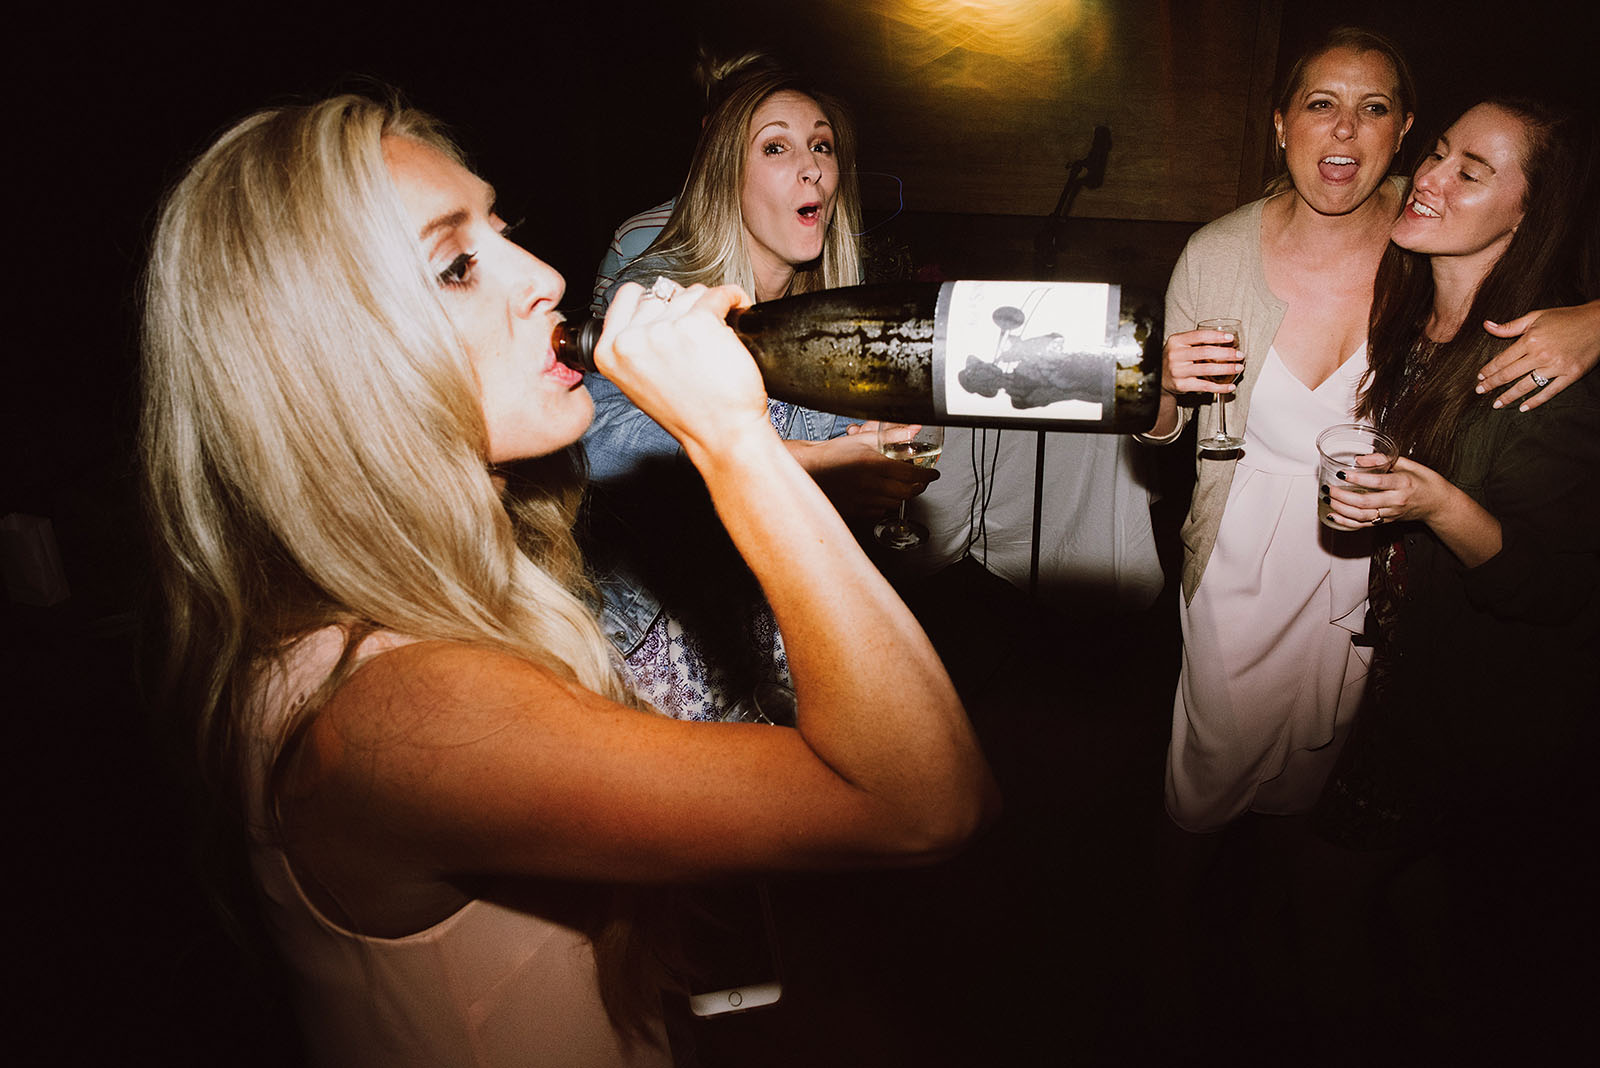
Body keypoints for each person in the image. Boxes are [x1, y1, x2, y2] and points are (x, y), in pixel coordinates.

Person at [139, 94, 998, 1067]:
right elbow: (920, 800)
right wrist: (731, 441)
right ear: (325, 362)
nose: (545, 276)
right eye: (456, 264)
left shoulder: (410, 596)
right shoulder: (400, 713)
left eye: (499, 232)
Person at [1140, 26, 1600, 834]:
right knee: (1207, 776)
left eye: (1373, 108)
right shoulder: (1216, 253)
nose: (1345, 129)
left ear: (1402, 132)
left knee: (1320, 784)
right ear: (1281, 123)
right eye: (1321, 104)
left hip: (1374, 569)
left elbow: (1540, 245)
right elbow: (1165, 431)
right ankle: (1179, 926)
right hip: (1241, 552)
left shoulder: (1424, 238)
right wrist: (1154, 383)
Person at [1310, 96, 1598, 1058]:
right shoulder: (1409, 315)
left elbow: (1550, 585)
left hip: (1482, 707)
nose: (1428, 176)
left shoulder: (1538, 364)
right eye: (1436, 153)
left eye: (1470, 170)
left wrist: (1436, 507)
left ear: (1528, 213)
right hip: (1402, 669)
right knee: (1429, 904)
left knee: (1334, 892)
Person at [583, 67, 933, 720]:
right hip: (645, 666)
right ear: (727, 178)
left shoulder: (828, 327)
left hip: (770, 662)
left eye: (821, 146)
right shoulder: (666, 296)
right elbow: (600, 444)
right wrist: (797, 466)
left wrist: (863, 458)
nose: (811, 169)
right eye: (776, 147)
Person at [589, 49, 788, 318]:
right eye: (774, 146)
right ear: (711, 131)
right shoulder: (637, 238)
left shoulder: (818, 239)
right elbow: (602, 339)